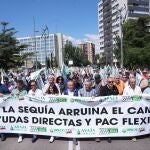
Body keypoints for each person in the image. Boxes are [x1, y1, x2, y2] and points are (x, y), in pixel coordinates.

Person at [100, 77, 119, 143]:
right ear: (107, 82)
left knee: (112, 122)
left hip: (113, 109)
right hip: (105, 109)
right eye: (109, 82)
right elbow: (100, 99)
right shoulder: (102, 89)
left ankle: (110, 134)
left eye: (112, 82)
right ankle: (106, 135)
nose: (111, 83)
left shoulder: (115, 88)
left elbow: (118, 97)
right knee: (105, 122)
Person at [123, 77, 142, 142]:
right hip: (129, 108)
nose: (133, 83)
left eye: (134, 82)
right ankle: (131, 134)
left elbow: (141, 98)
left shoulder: (138, 88)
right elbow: (124, 99)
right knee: (130, 122)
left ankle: (136, 134)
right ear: (129, 82)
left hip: (137, 108)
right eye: (132, 82)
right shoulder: (126, 89)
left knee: (136, 121)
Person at [64, 80, 78, 145]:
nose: (71, 86)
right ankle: (68, 133)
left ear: (73, 85)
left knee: (74, 123)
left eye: (72, 85)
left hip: (75, 111)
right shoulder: (65, 92)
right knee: (68, 123)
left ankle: (74, 136)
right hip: (67, 110)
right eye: (69, 85)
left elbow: (81, 99)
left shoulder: (77, 91)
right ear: (67, 86)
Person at [0, 76, 10, 141]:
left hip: (1, 107)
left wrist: (3, 95)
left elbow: (8, 95)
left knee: (1, 121)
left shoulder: (3, 86)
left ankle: (2, 134)